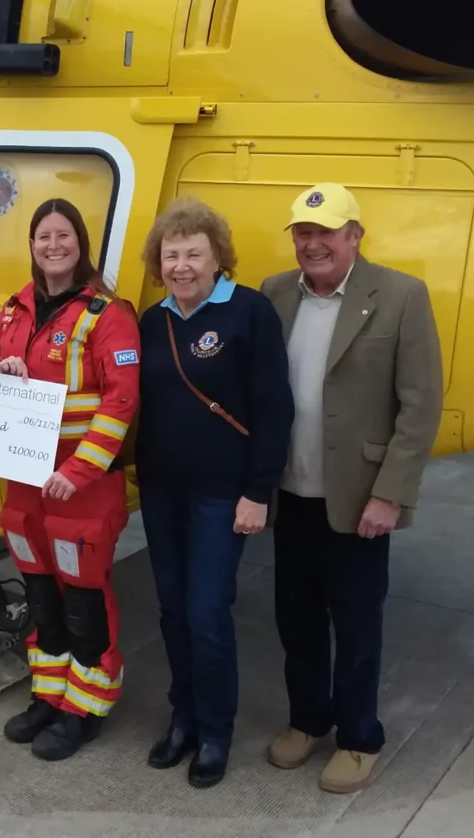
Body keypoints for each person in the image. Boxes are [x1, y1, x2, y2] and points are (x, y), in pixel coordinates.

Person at [260, 183, 443, 794]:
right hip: (293, 494)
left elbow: (420, 407)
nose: (313, 244)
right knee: (297, 620)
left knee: (358, 626)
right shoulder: (276, 292)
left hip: (359, 499)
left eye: (326, 232)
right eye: (303, 233)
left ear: (355, 235)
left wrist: (390, 494)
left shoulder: (399, 295)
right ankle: (309, 720)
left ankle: (360, 737)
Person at [0, 198, 140, 762]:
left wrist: (79, 469)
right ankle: (50, 693)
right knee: (42, 595)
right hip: (25, 483)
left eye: (63, 235)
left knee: (83, 601)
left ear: (80, 243)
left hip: (82, 488)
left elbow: (121, 401)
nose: (53, 246)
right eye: (43, 237)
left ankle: (84, 708)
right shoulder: (16, 308)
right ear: (33, 246)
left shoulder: (108, 314)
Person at [134, 198, 295, 788]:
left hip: (221, 495)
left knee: (207, 613)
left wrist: (258, 491)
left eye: (193, 253)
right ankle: (183, 717)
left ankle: (216, 730)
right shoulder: (153, 321)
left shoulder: (248, 312)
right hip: (161, 491)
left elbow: (275, 407)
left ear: (216, 257)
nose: (181, 265)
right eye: (171, 254)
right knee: (173, 610)